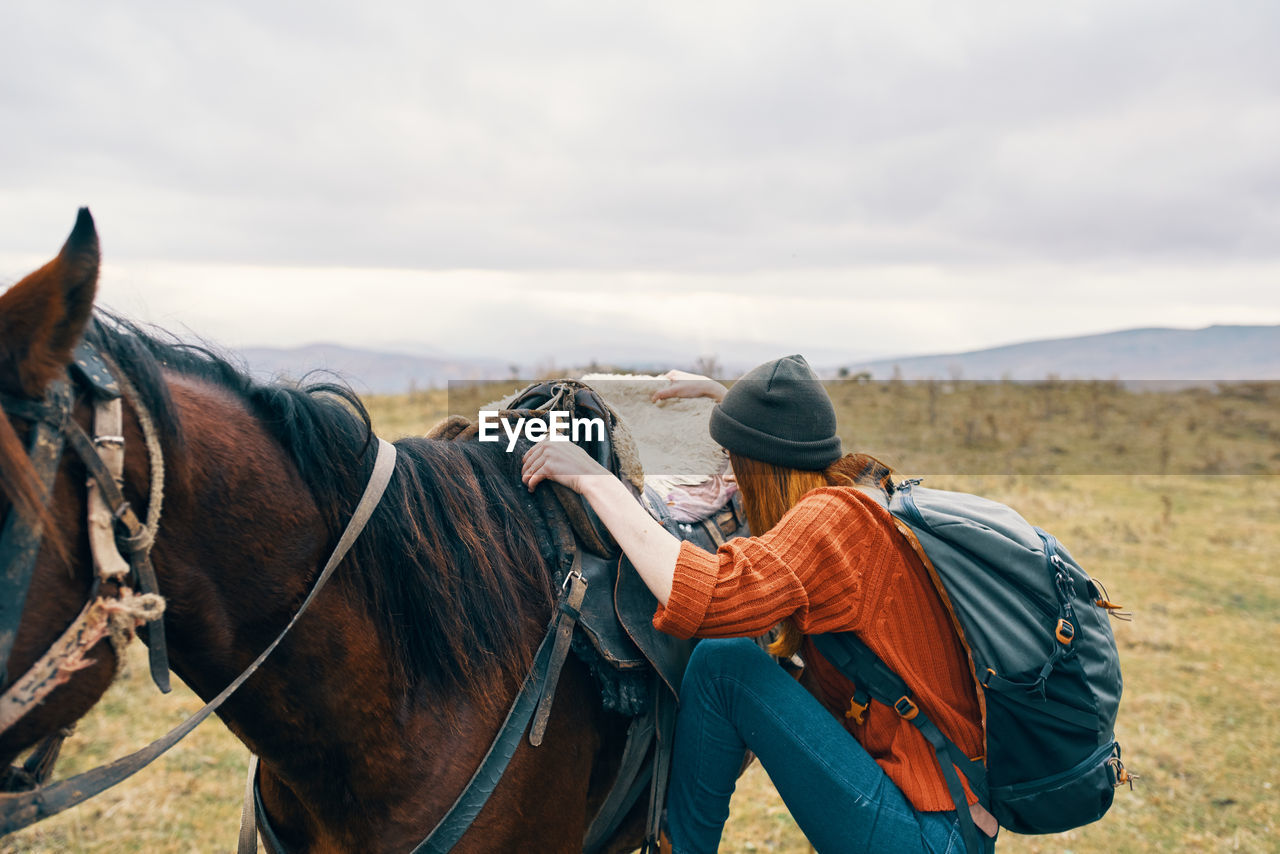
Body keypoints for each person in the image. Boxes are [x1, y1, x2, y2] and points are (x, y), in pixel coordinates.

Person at [520, 355, 995, 854]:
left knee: (723, 665)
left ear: (759, 468)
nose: (729, 479)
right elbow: (782, 453)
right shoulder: (856, 491)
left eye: (734, 464)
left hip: (928, 834)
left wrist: (595, 481)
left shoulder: (830, 524)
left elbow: (705, 597)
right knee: (725, 661)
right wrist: (727, 401)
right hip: (944, 815)